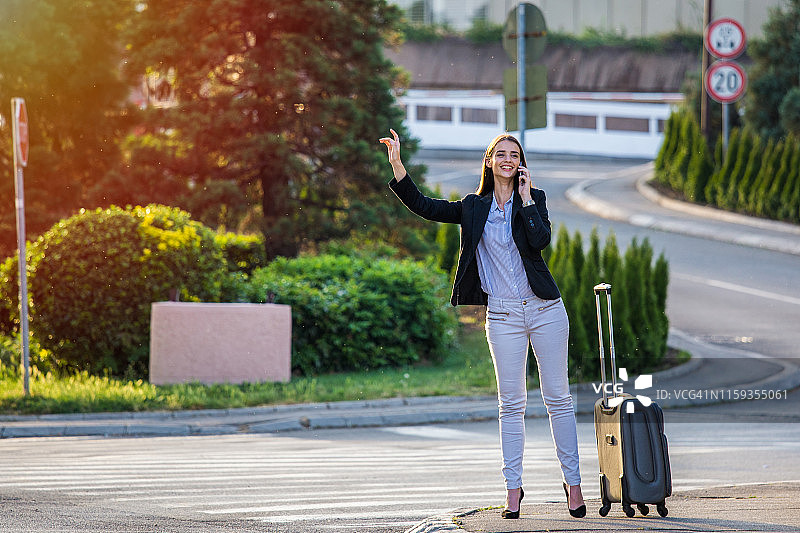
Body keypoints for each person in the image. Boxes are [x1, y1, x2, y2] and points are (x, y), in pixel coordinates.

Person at [379, 129, 586, 519]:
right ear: (489, 161)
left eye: (515, 154)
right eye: (501, 153)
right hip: (503, 315)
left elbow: (541, 241)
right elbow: (425, 206)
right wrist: (397, 164)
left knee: (558, 399)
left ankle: (573, 486)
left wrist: (526, 200)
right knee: (511, 404)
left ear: (521, 163)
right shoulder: (473, 207)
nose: (508, 159)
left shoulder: (535, 199)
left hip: (545, 311)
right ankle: (513, 490)